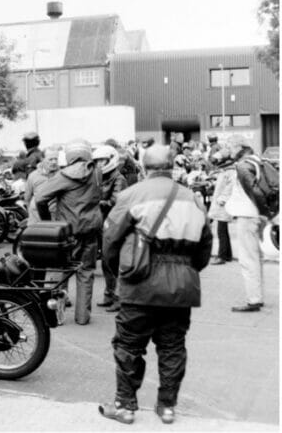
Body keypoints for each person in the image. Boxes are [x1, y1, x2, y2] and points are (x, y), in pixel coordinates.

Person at [99, 144, 212, 425]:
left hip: (140, 284)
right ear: (171, 165)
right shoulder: (193, 199)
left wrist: (118, 273)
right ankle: (167, 407)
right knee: (173, 346)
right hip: (181, 285)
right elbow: (205, 246)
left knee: (128, 345)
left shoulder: (130, 195)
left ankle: (125, 405)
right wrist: (186, 270)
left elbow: (111, 240)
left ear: (144, 167)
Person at [35, 139, 102, 325]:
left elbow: (40, 197)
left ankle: (56, 315)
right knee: (86, 272)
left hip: (66, 231)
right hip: (90, 229)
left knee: (58, 271)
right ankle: (82, 317)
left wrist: (47, 221)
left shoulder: (63, 176)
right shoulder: (96, 172)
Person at [225, 135, 266, 312]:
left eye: (231, 147)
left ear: (240, 147)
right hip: (256, 215)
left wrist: (263, 212)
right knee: (256, 257)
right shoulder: (257, 160)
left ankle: (254, 299)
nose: (230, 151)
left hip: (247, 216)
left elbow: (254, 191)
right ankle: (257, 295)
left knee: (248, 258)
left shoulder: (243, 165)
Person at [93, 145, 128, 313]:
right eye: (98, 161)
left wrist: (96, 203)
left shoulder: (118, 179)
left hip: (115, 225)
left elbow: (116, 201)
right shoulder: (101, 177)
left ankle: (119, 298)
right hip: (103, 223)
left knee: (115, 262)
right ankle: (109, 294)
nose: (99, 164)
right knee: (107, 262)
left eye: (102, 160)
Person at [22, 146, 60, 225]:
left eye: (56, 159)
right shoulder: (33, 176)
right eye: (50, 159)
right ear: (42, 159)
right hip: (36, 220)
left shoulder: (62, 175)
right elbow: (27, 198)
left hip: (56, 220)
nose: (54, 162)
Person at [207, 155, 235, 265]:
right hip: (221, 204)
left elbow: (230, 187)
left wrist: (222, 198)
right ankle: (228, 254)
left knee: (221, 231)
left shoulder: (230, 172)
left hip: (223, 204)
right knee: (223, 231)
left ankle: (221, 256)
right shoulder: (227, 171)